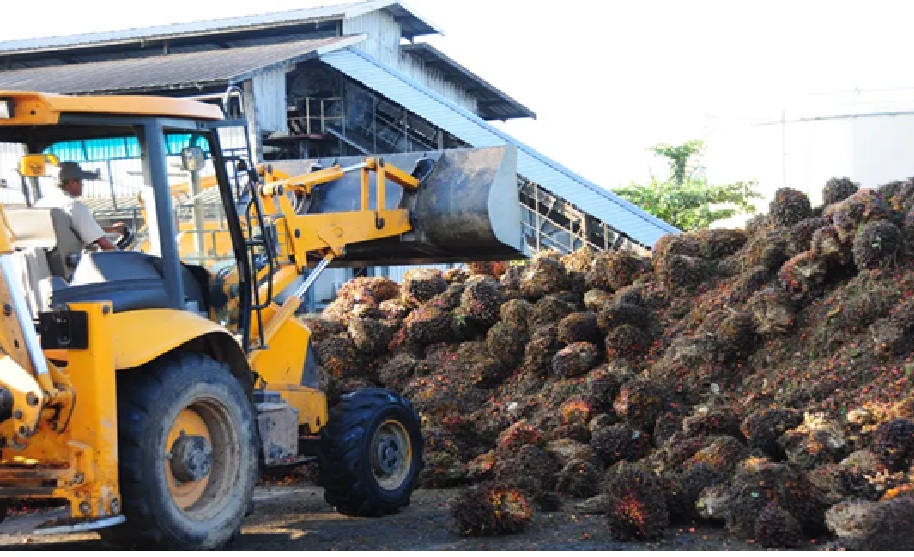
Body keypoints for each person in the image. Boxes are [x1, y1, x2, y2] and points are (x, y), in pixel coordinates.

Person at [36, 161, 123, 251]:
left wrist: (111, 229)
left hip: (44, 261)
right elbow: (104, 244)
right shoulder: (74, 206)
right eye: (81, 181)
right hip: (72, 262)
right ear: (72, 182)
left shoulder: (40, 204)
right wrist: (124, 256)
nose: (83, 184)